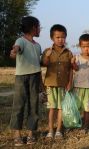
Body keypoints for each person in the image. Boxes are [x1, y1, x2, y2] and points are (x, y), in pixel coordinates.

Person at [9, 16, 41, 146]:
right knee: (19, 105)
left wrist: (42, 84)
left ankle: (30, 134)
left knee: (34, 106)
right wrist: (14, 51)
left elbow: (38, 64)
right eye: (39, 27)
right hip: (21, 77)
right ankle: (17, 134)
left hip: (35, 77)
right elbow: (17, 47)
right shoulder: (20, 40)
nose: (40, 29)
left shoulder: (38, 46)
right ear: (34, 27)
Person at [42, 24, 73, 139]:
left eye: (63, 37)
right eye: (58, 37)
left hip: (63, 85)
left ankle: (59, 130)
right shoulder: (47, 51)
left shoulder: (68, 53)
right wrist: (47, 57)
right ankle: (50, 130)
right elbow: (44, 64)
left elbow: (71, 70)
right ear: (52, 38)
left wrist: (70, 82)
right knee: (52, 108)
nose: (60, 40)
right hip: (50, 84)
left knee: (61, 108)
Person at [71, 34, 89, 134]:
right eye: (83, 46)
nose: (86, 49)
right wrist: (73, 63)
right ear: (80, 46)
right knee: (76, 108)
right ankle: (75, 124)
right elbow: (75, 69)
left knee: (88, 109)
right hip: (77, 87)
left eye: (88, 46)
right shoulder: (77, 58)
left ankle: (86, 126)